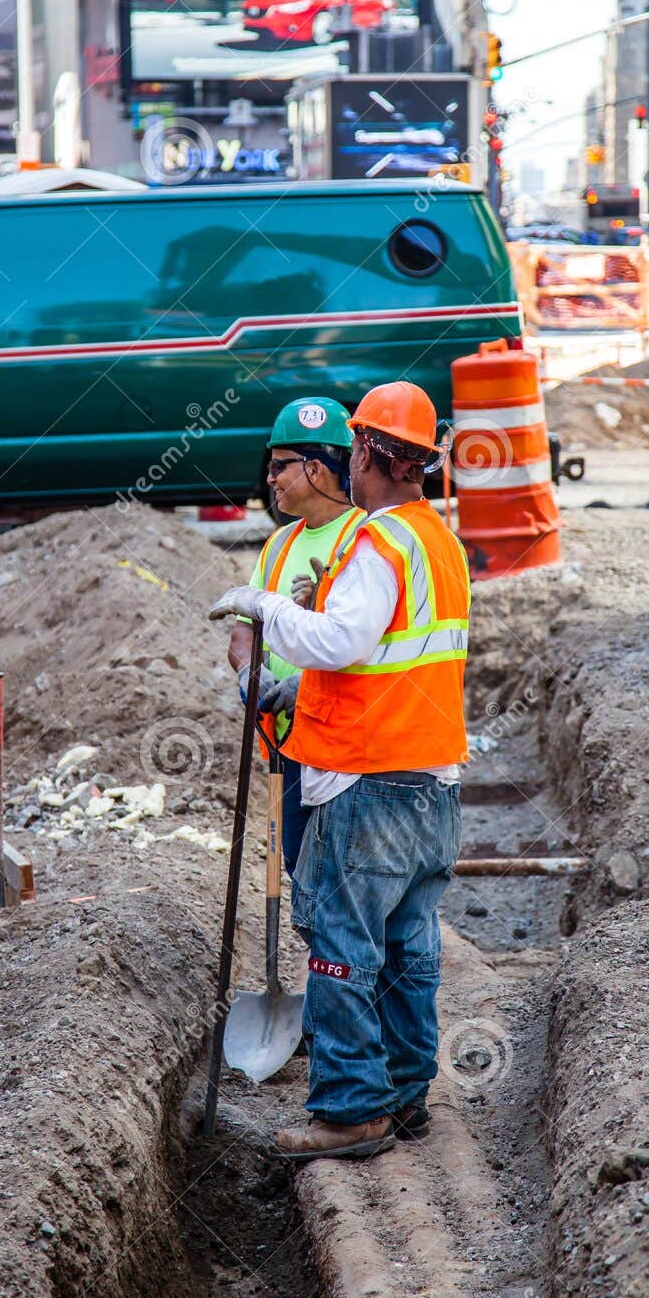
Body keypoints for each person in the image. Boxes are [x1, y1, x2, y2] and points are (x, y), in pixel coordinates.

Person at [210, 381, 469, 1162]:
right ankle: (402, 1094)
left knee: (341, 948)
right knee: (407, 946)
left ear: (366, 454)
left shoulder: (379, 543)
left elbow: (343, 640)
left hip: (367, 777)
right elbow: (390, 655)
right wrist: (296, 689)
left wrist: (261, 606)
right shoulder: (437, 540)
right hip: (429, 778)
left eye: (354, 449)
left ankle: (353, 1109)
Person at [227, 397, 363, 877]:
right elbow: (243, 633)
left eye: (279, 466)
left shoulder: (366, 538)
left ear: (316, 469)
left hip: (349, 756)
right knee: (300, 873)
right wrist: (250, 673)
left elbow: (367, 641)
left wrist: (308, 684)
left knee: (343, 883)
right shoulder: (279, 544)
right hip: (288, 745)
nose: (269, 478)